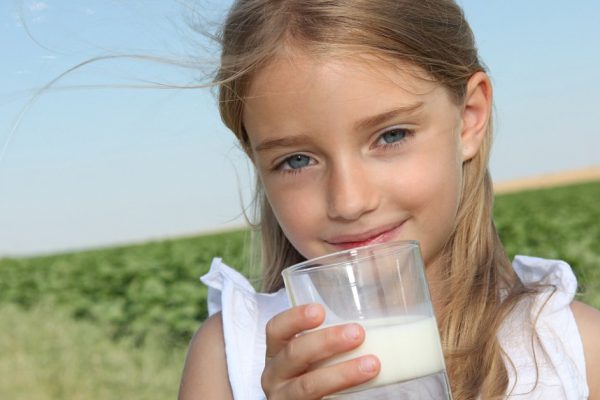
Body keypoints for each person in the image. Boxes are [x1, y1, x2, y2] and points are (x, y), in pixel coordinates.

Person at [178, 0, 600, 399]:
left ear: (469, 117)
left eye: (391, 135)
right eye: (297, 160)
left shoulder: (574, 350)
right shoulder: (229, 358)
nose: (349, 201)